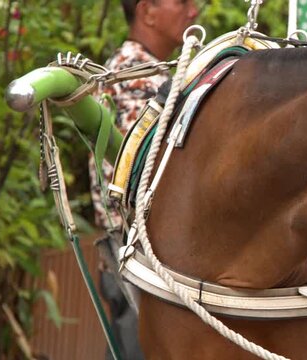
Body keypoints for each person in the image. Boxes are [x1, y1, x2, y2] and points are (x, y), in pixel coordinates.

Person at [90, 1, 197, 359]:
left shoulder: (150, 71)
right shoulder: (133, 75)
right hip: (141, 264)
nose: (193, 12)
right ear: (147, 11)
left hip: (144, 262)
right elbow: (159, 171)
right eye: (182, 2)